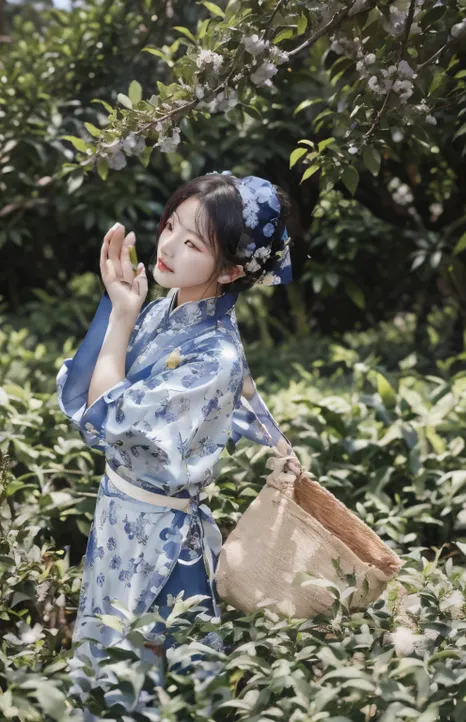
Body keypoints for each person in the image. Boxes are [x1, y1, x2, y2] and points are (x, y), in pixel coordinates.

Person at [56, 170, 295, 717]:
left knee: (147, 689)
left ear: (232, 269)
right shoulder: (166, 308)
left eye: (192, 243)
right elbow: (87, 397)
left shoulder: (217, 356)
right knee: (110, 669)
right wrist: (126, 308)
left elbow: (103, 415)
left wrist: (122, 315)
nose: (167, 246)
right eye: (171, 227)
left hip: (158, 543)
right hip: (121, 519)